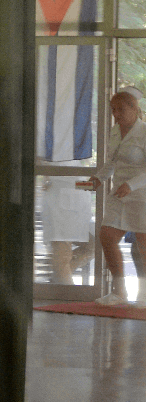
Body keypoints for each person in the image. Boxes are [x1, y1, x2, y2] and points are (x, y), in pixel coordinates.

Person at [90, 86, 146, 306]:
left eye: (120, 109)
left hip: (141, 193)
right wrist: (97, 179)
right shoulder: (115, 131)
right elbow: (111, 162)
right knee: (107, 236)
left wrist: (131, 185)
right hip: (119, 193)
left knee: (143, 243)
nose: (116, 114)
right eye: (113, 110)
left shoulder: (144, 131)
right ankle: (119, 291)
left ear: (134, 109)